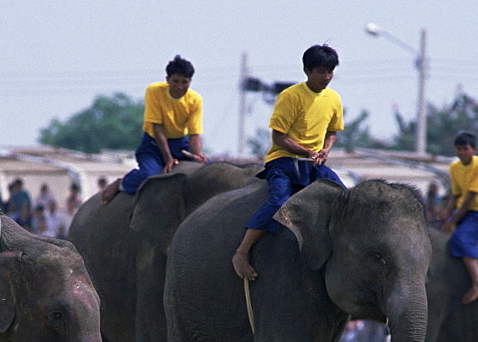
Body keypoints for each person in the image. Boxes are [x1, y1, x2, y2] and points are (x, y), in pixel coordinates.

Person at [232, 44, 345, 280]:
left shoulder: (333, 99)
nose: (326, 77)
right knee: (279, 201)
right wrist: (305, 151)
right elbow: (278, 137)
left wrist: (325, 150)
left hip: (313, 164)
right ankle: (241, 253)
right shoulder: (291, 96)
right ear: (307, 70)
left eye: (330, 72)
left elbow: (333, 132)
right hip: (284, 161)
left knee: (346, 199)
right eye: (321, 71)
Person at [101, 55, 207, 203]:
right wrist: (168, 159)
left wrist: (198, 154)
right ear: (167, 79)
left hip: (180, 145)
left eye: (184, 82)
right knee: (149, 175)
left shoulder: (195, 100)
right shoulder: (154, 91)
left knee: (208, 172)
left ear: (190, 82)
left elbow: (195, 134)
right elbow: (157, 128)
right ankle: (121, 183)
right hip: (154, 144)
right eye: (175, 81)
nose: (179, 87)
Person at [439, 131, 478, 304]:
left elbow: (471, 196)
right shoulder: (454, 168)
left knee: (461, 239)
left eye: (466, 149)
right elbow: (456, 195)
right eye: (459, 149)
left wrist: (453, 220)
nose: (462, 152)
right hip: (463, 211)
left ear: (474, 150)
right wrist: (446, 213)